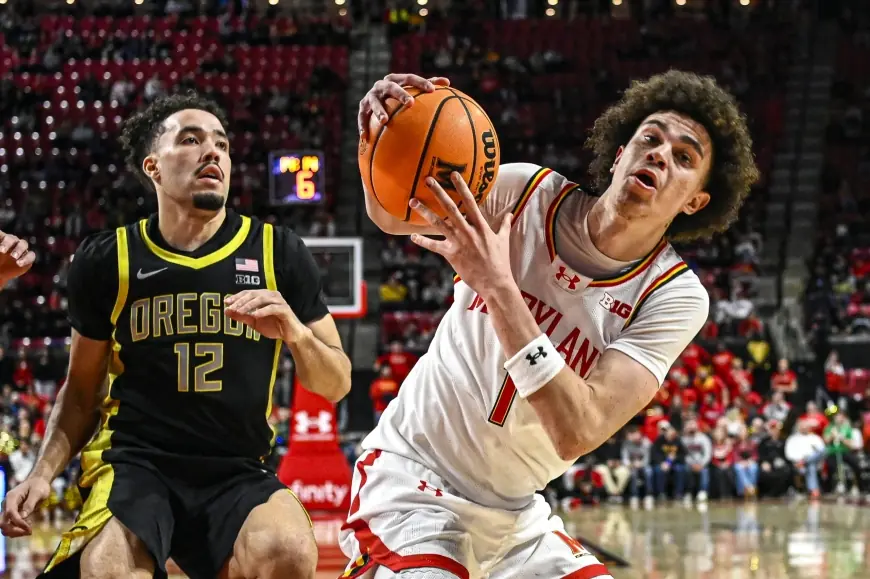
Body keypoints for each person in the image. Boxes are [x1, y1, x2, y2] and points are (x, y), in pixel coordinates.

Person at [344, 70, 758, 578]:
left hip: (515, 516)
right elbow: (394, 216)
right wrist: (378, 142)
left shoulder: (674, 296)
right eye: (650, 139)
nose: (660, 155)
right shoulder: (523, 192)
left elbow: (575, 430)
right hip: (412, 475)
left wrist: (498, 287)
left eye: (684, 157)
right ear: (620, 151)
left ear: (696, 200)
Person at [0, 93, 352, 579]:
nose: (214, 152)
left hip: (235, 466)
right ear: (154, 167)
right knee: (111, 571)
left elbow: (336, 383)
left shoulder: (279, 252)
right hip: (135, 463)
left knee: (288, 552)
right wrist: (41, 476)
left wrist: (294, 331)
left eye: (223, 144)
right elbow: (81, 392)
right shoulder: (110, 259)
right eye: (191, 139)